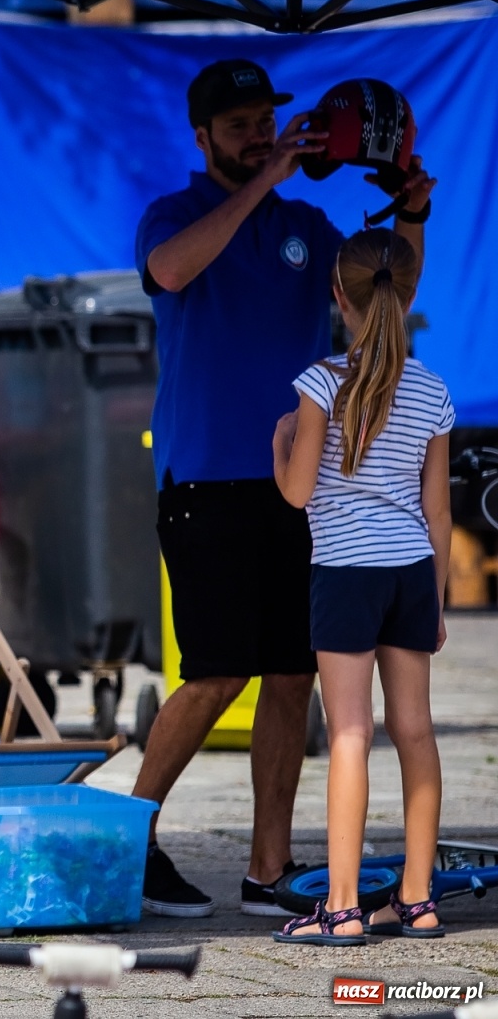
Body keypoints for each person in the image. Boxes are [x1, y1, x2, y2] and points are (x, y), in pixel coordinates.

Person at [134, 58, 434, 918]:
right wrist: (263, 178)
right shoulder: (176, 213)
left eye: (265, 121)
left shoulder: (309, 224)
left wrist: (411, 206)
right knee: (216, 673)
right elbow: (173, 271)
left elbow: (390, 288)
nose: (259, 134)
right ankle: (128, 838)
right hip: (204, 480)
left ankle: (268, 869)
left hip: (303, 486)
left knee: (294, 673)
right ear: (202, 138)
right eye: (238, 126)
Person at [271, 228, 452, 945]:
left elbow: (296, 493)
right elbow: (437, 511)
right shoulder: (433, 391)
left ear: (337, 295)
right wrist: (435, 600)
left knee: (350, 732)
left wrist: (282, 440)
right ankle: (417, 898)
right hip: (410, 573)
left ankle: (341, 908)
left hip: (345, 573)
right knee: (416, 732)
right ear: (408, 296)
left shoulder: (320, 384)